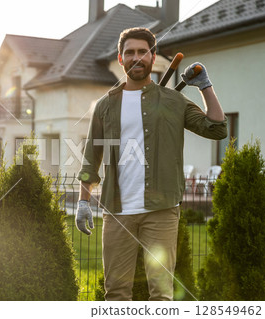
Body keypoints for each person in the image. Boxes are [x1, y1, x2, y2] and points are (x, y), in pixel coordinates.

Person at [75, 27, 227, 301]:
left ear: (153, 57)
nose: (136, 58)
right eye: (129, 52)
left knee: (161, 293)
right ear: (120, 59)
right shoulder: (105, 106)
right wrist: (83, 202)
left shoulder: (173, 101)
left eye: (142, 52)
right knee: (117, 293)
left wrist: (205, 85)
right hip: (117, 212)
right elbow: (91, 157)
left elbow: (216, 129)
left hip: (162, 211)